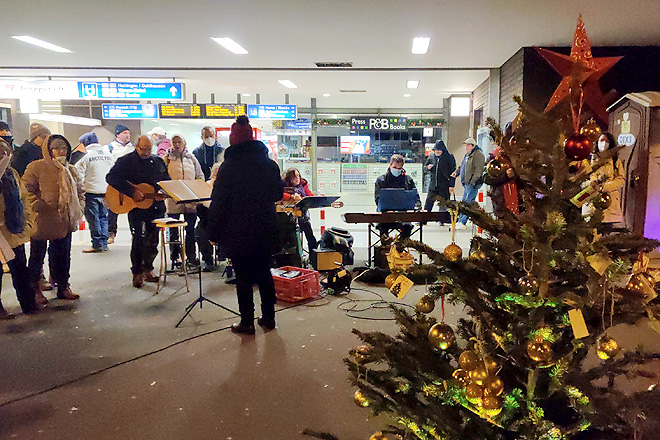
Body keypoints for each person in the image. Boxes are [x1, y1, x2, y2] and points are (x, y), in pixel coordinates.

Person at [208, 115, 283, 335]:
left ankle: (247, 323)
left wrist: (213, 231)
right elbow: (278, 193)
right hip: (264, 226)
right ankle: (268, 319)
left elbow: (219, 202)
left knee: (243, 277)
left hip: (238, 230)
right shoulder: (269, 164)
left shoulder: (228, 168)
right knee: (264, 273)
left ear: (234, 141)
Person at [23, 135, 84, 302]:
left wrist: (79, 208)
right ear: (48, 150)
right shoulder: (36, 167)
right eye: (57, 148)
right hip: (42, 220)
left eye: (64, 148)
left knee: (62, 255)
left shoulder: (70, 169)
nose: (61, 151)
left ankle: (63, 285)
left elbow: (80, 191)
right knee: (37, 255)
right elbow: (26, 190)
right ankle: (35, 288)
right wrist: (38, 205)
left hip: (65, 220)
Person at [106, 135, 170, 288]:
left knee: (153, 239)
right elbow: (111, 177)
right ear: (136, 146)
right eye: (143, 149)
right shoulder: (125, 161)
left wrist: (163, 191)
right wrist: (130, 191)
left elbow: (166, 179)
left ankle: (149, 268)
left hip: (155, 207)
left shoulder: (158, 162)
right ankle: (137, 272)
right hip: (136, 209)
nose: (147, 152)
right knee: (139, 239)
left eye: (149, 149)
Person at [0, 139, 40, 318]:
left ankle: (28, 303)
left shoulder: (11, 174)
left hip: (14, 230)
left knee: (20, 270)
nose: (3, 157)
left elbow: (23, 199)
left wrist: (27, 222)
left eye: (5, 153)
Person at [163, 134, 204, 268]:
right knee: (174, 230)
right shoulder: (167, 159)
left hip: (189, 200)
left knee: (190, 230)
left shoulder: (191, 159)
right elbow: (162, 178)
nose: (177, 144)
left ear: (184, 143)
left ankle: (191, 256)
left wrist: (197, 192)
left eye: (179, 142)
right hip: (173, 200)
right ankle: (175, 257)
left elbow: (199, 176)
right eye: (174, 142)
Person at [75, 133, 115, 253]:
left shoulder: (84, 156)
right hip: (106, 191)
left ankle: (97, 244)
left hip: (91, 192)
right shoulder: (109, 155)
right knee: (103, 217)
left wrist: (79, 191)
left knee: (93, 219)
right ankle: (104, 243)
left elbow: (78, 175)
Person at [586, 132, 625, 234]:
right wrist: (594, 183)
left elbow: (621, 179)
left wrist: (605, 187)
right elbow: (586, 175)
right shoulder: (590, 160)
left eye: (606, 141)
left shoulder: (616, 161)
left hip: (609, 202)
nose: (604, 143)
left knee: (605, 235)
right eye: (601, 140)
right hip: (592, 201)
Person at [374, 154, 421, 239]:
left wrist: (418, 208)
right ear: (390, 165)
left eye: (399, 168)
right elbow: (378, 199)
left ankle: (400, 247)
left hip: (403, 214)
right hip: (385, 214)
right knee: (383, 227)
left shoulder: (408, 180)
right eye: (395, 167)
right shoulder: (381, 180)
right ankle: (385, 248)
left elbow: (415, 197)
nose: (397, 170)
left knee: (407, 227)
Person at [107, 124, 134, 244]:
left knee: (132, 207)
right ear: (117, 134)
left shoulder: (133, 148)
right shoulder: (109, 148)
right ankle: (111, 233)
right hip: (115, 182)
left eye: (128, 133)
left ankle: (134, 232)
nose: (127, 135)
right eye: (124, 133)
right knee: (113, 208)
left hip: (131, 182)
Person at [452, 137, 486, 228]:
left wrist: (473, 182)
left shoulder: (478, 155)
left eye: (467, 145)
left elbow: (479, 169)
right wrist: (457, 172)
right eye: (465, 145)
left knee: (468, 203)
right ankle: (459, 221)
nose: (466, 147)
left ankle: (462, 222)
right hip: (467, 183)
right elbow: (462, 166)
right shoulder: (467, 155)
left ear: (473, 145)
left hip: (472, 184)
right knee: (464, 203)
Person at [281, 168, 317, 251]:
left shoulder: (303, 185)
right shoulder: (283, 186)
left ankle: (314, 255)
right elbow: (279, 195)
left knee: (310, 236)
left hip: (302, 215)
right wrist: (291, 197)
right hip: (287, 218)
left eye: (298, 176)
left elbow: (310, 197)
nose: (297, 178)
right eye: (294, 176)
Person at [423, 140, 456, 225]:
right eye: (436, 150)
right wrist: (428, 168)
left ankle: (442, 220)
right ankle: (424, 219)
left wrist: (451, 185)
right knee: (429, 202)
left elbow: (453, 172)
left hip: (444, 184)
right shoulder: (431, 157)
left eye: (439, 150)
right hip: (433, 184)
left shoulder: (449, 157)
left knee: (444, 203)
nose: (437, 151)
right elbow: (425, 167)